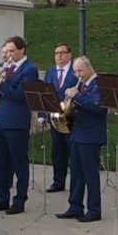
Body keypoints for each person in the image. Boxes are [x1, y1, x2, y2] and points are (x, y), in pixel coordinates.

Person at [0, 36, 38, 216]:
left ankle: (19, 200)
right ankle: (2, 198)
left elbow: (20, 95)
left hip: (17, 122)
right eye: (6, 51)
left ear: (21, 50)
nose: (7, 55)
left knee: (19, 162)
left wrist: (0, 83)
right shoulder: (4, 68)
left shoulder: (29, 69)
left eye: (11, 51)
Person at [55, 56, 105, 223]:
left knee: (90, 174)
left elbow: (96, 106)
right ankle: (75, 206)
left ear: (89, 68)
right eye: (75, 72)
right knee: (75, 172)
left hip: (91, 135)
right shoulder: (81, 84)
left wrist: (76, 96)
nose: (78, 75)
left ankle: (94, 209)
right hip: (77, 133)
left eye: (80, 71)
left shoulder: (98, 84)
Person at [42, 43, 77, 193]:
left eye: (63, 53)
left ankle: (76, 181)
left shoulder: (75, 71)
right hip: (55, 117)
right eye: (57, 53)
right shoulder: (50, 72)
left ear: (69, 55)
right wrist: (42, 116)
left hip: (71, 118)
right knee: (57, 151)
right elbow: (44, 93)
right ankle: (58, 181)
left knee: (72, 150)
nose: (59, 56)